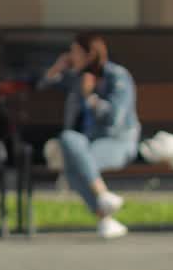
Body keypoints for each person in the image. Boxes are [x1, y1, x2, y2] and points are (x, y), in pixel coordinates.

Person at [38, 32, 140, 239]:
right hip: (88, 142)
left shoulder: (117, 76)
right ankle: (103, 196)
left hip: (118, 142)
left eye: (74, 52)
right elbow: (42, 86)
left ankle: (104, 217)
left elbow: (114, 119)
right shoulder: (78, 76)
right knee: (68, 138)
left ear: (89, 55)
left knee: (74, 163)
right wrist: (57, 68)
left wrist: (90, 97)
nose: (70, 56)